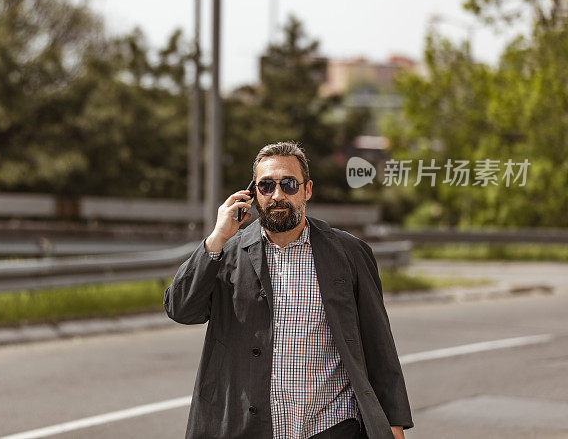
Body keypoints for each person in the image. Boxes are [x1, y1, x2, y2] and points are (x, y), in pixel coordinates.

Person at [164, 141, 413, 439]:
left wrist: (394, 425)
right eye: (266, 186)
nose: (278, 195)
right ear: (253, 194)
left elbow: (378, 343)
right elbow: (181, 309)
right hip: (250, 427)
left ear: (307, 190)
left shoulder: (349, 253)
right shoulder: (227, 254)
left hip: (333, 425)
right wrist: (217, 237)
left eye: (289, 184)